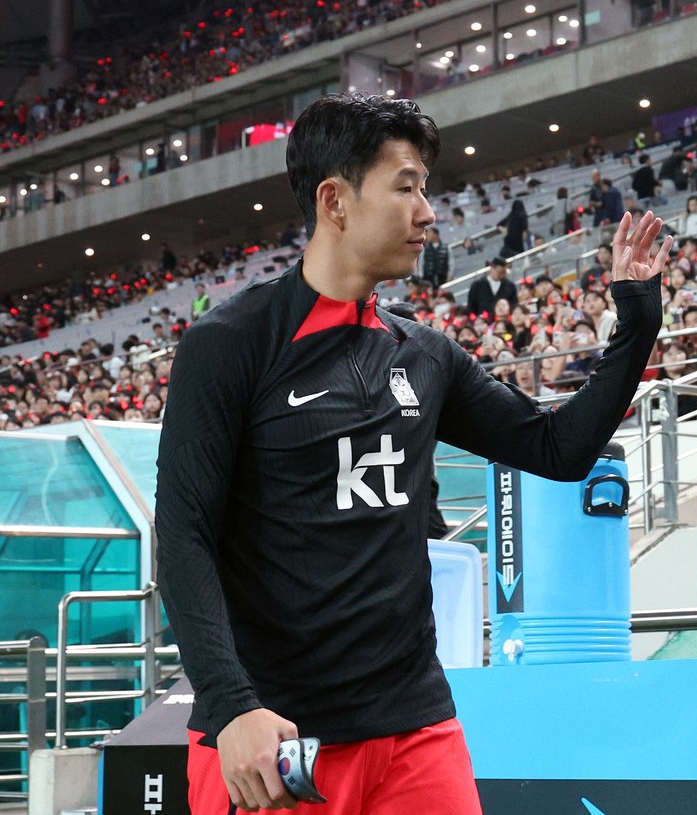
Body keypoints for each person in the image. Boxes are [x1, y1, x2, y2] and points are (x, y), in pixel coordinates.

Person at [155, 93, 669, 815]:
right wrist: (230, 704)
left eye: (424, 187)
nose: (428, 211)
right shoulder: (231, 345)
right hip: (274, 741)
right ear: (335, 200)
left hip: (415, 731)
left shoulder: (425, 354)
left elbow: (559, 450)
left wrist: (637, 322)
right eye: (406, 187)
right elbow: (182, 537)